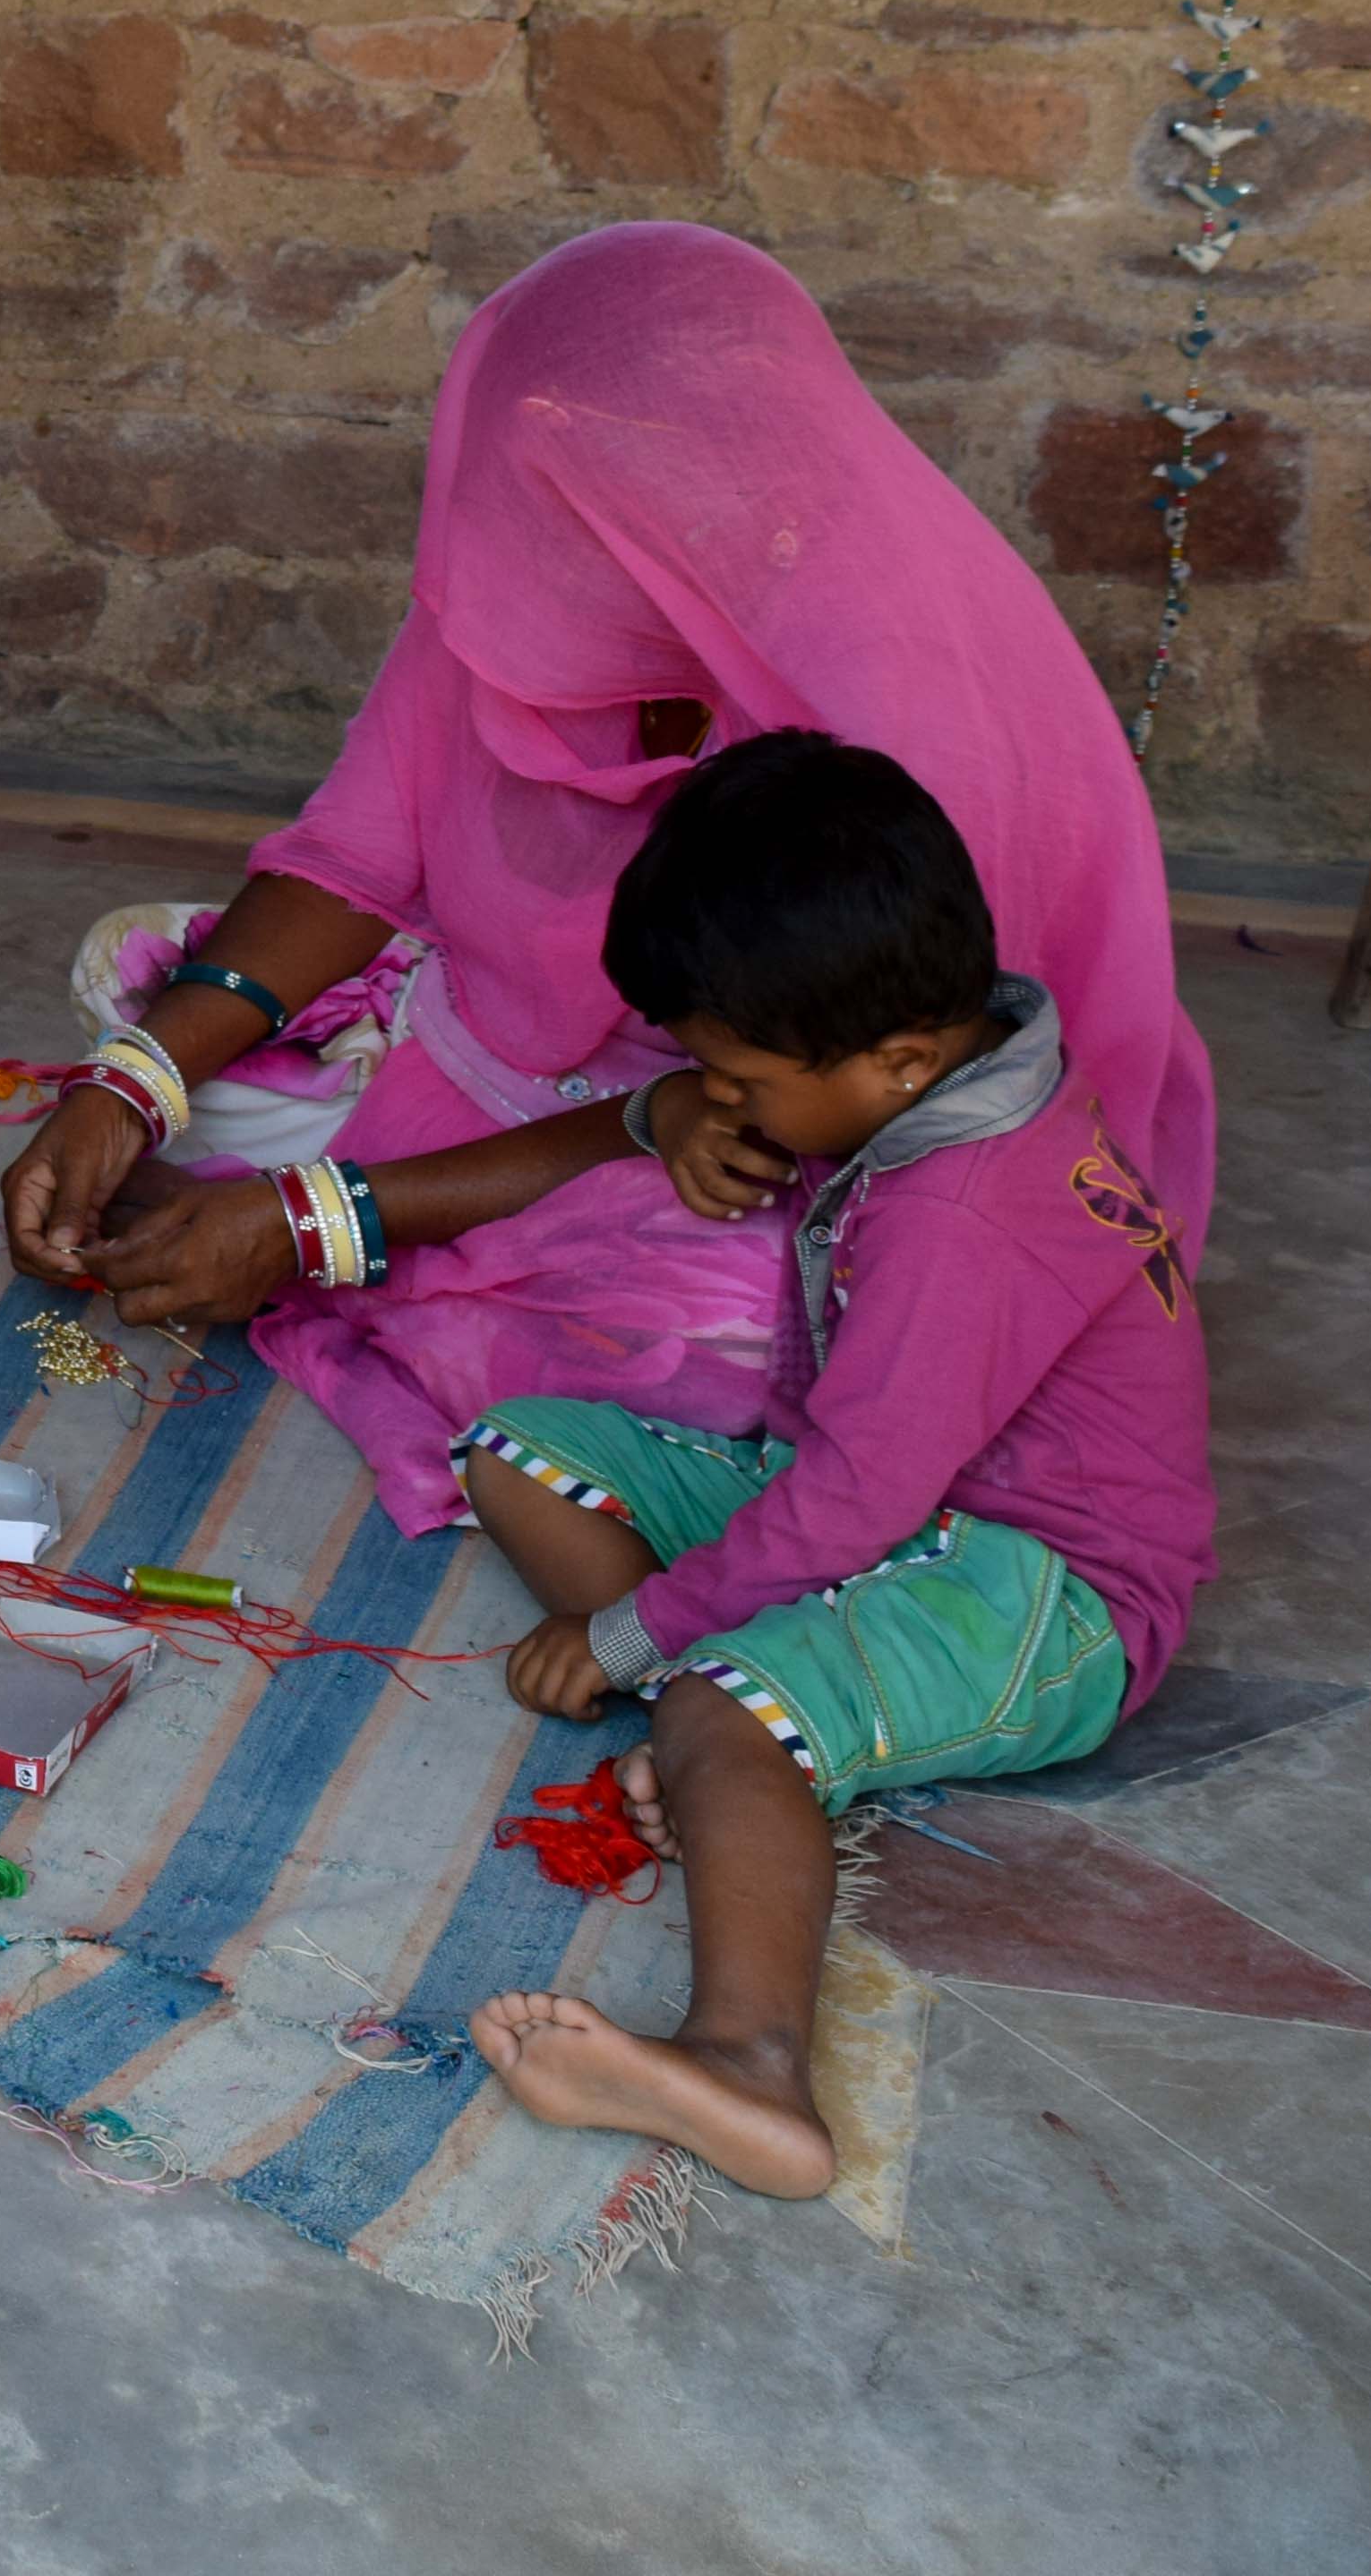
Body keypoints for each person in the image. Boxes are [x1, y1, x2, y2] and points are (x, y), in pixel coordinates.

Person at [0, 222, 1212, 1533]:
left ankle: (345, 1231)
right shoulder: (524, 585)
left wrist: (327, 1221)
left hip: (772, 1131)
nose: (518, 529)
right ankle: (324, 1207)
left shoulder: (910, 717)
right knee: (139, 975)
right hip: (523, 1048)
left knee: (745, 1339)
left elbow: (819, 1120)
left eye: (559, 491)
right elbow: (352, 861)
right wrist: (130, 1088)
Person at [452, 732, 1214, 2195]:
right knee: (525, 1453)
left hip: (1047, 1593)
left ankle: (750, 2067)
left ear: (899, 1059)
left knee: (721, 1712)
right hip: (891, 1503)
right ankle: (746, 1719)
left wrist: (632, 1633)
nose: (717, 1101)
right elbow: (849, 1464)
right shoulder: (931, 1086)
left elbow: (857, 1498)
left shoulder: (968, 1215)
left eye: (733, 1075)